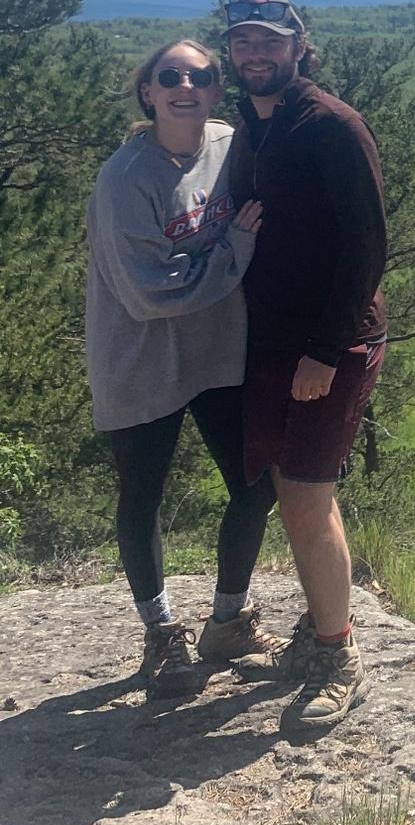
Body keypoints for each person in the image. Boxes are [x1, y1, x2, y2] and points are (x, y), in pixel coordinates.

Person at [85, 39, 283, 698]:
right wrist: (237, 249)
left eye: (200, 76)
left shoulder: (229, 146)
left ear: (214, 90)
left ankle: (226, 620)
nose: (185, 86)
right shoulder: (126, 178)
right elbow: (151, 294)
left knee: (257, 484)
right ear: (148, 91)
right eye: (170, 76)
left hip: (218, 353)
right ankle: (160, 632)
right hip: (140, 357)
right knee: (142, 497)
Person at [222, 0, 388, 735]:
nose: (256, 53)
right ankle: (318, 632)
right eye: (243, 42)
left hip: (329, 343)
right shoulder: (254, 132)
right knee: (295, 493)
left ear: (298, 46)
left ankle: (338, 655)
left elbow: (366, 246)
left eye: (270, 41)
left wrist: (326, 349)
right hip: (270, 339)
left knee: (305, 496)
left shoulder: (331, 126)